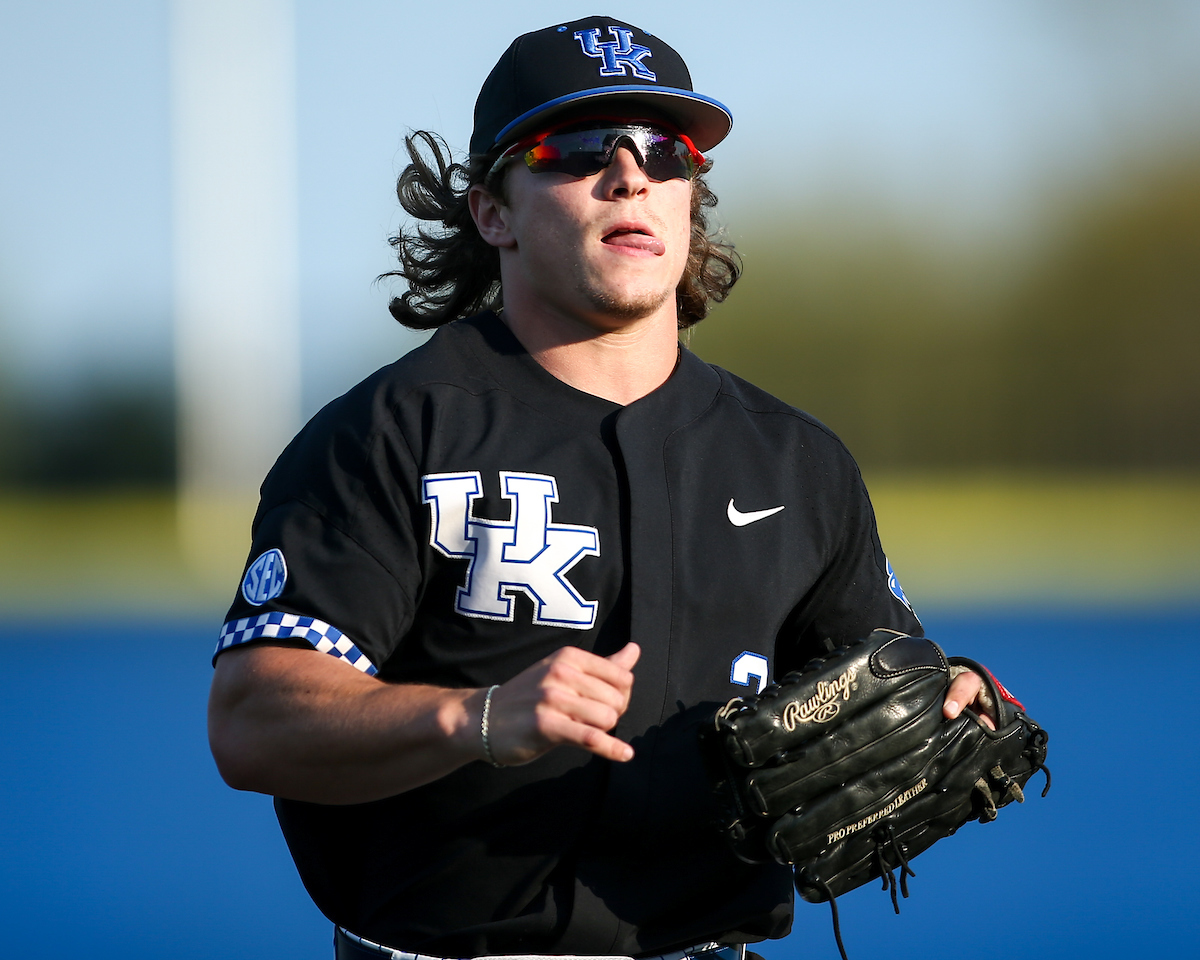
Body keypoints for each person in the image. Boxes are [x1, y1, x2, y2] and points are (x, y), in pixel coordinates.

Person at [208, 16, 995, 960]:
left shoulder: (794, 462)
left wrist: (956, 696)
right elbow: (252, 719)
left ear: (691, 197)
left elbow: (897, 677)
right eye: (577, 149)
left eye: (666, 151)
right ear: (490, 212)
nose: (631, 175)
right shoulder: (392, 434)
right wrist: (477, 719)